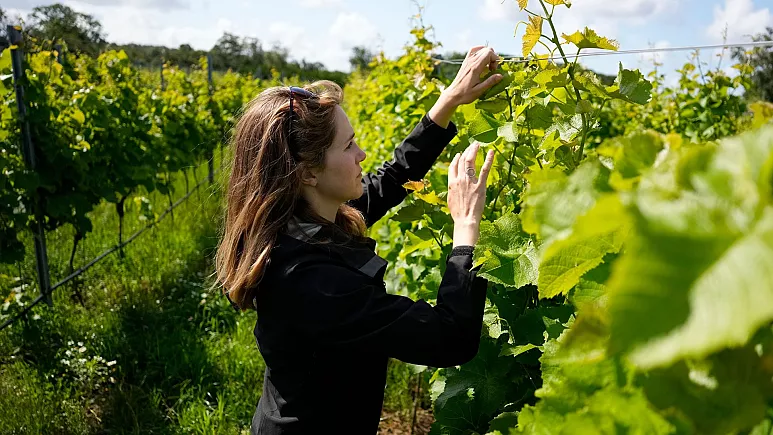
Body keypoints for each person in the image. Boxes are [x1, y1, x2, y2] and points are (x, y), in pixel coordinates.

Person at [212, 46, 504, 434]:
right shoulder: (311, 282)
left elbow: (390, 179)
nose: (362, 154)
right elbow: (451, 337)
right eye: (348, 146)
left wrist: (448, 101)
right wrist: (466, 226)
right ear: (308, 173)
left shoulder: (302, 219)